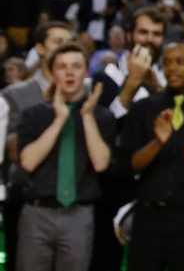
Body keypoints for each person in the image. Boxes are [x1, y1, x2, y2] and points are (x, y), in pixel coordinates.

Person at [15, 42, 116, 271]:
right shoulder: (33, 114)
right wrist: (59, 119)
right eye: (62, 66)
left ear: (86, 72)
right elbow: (28, 161)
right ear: (52, 72)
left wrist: (87, 116)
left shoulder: (102, 116)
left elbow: (101, 163)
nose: (69, 72)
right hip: (37, 213)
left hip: (79, 214)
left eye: (76, 66)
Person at [119, 42, 184, 271]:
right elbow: (128, 166)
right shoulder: (145, 108)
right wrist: (158, 142)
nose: (172, 69)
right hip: (149, 217)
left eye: (180, 62)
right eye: (166, 63)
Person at [1, 21, 73, 271]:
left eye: (69, 42)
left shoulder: (84, 94)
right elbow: (13, 152)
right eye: (58, 42)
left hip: (74, 202)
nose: (65, 48)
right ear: (40, 48)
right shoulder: (14, 94)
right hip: (25, 196)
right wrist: (45, 111)